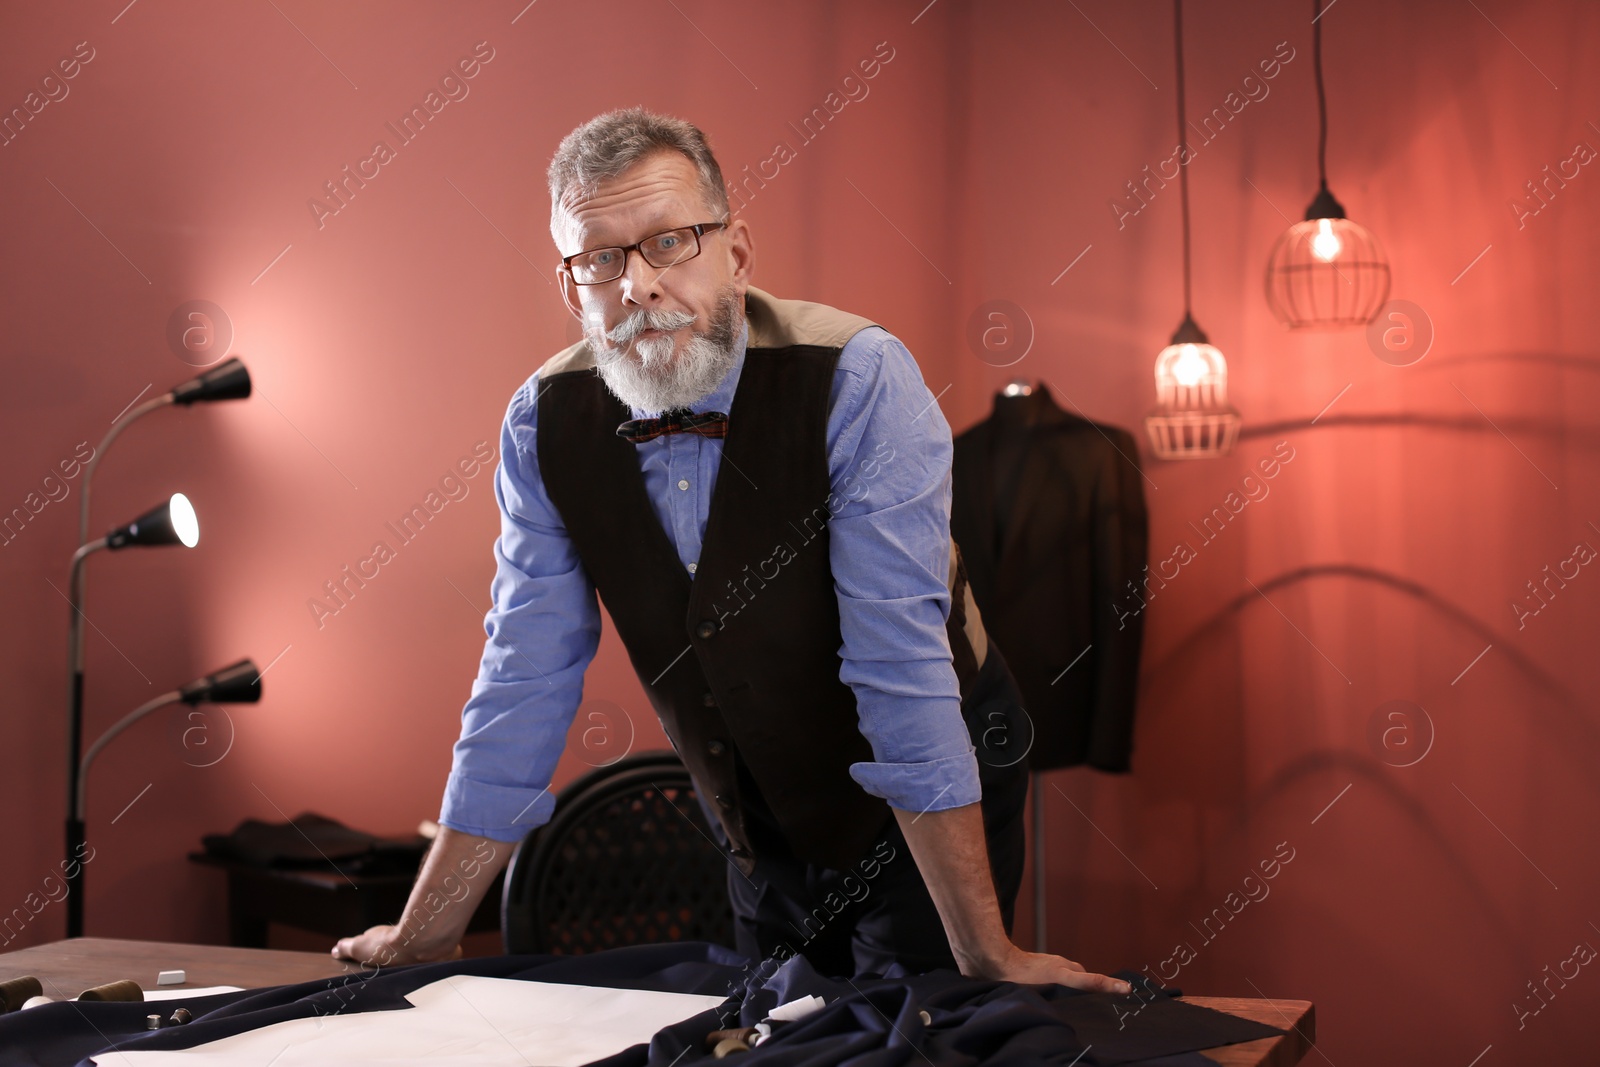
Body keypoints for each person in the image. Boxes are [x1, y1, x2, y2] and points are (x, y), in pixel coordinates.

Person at [334, 107, 1129, 994]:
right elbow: (524, 675)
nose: (637, 284)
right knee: (769, 1036)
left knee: (926, 1030)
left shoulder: (861, 379)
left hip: (933, 773)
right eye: (600, 258)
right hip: (750, 800)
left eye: (670, 241)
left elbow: (896, 661)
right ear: (573, 288)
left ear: (737, 253)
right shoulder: (541, 423)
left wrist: (987, 953)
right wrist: (424, 934)